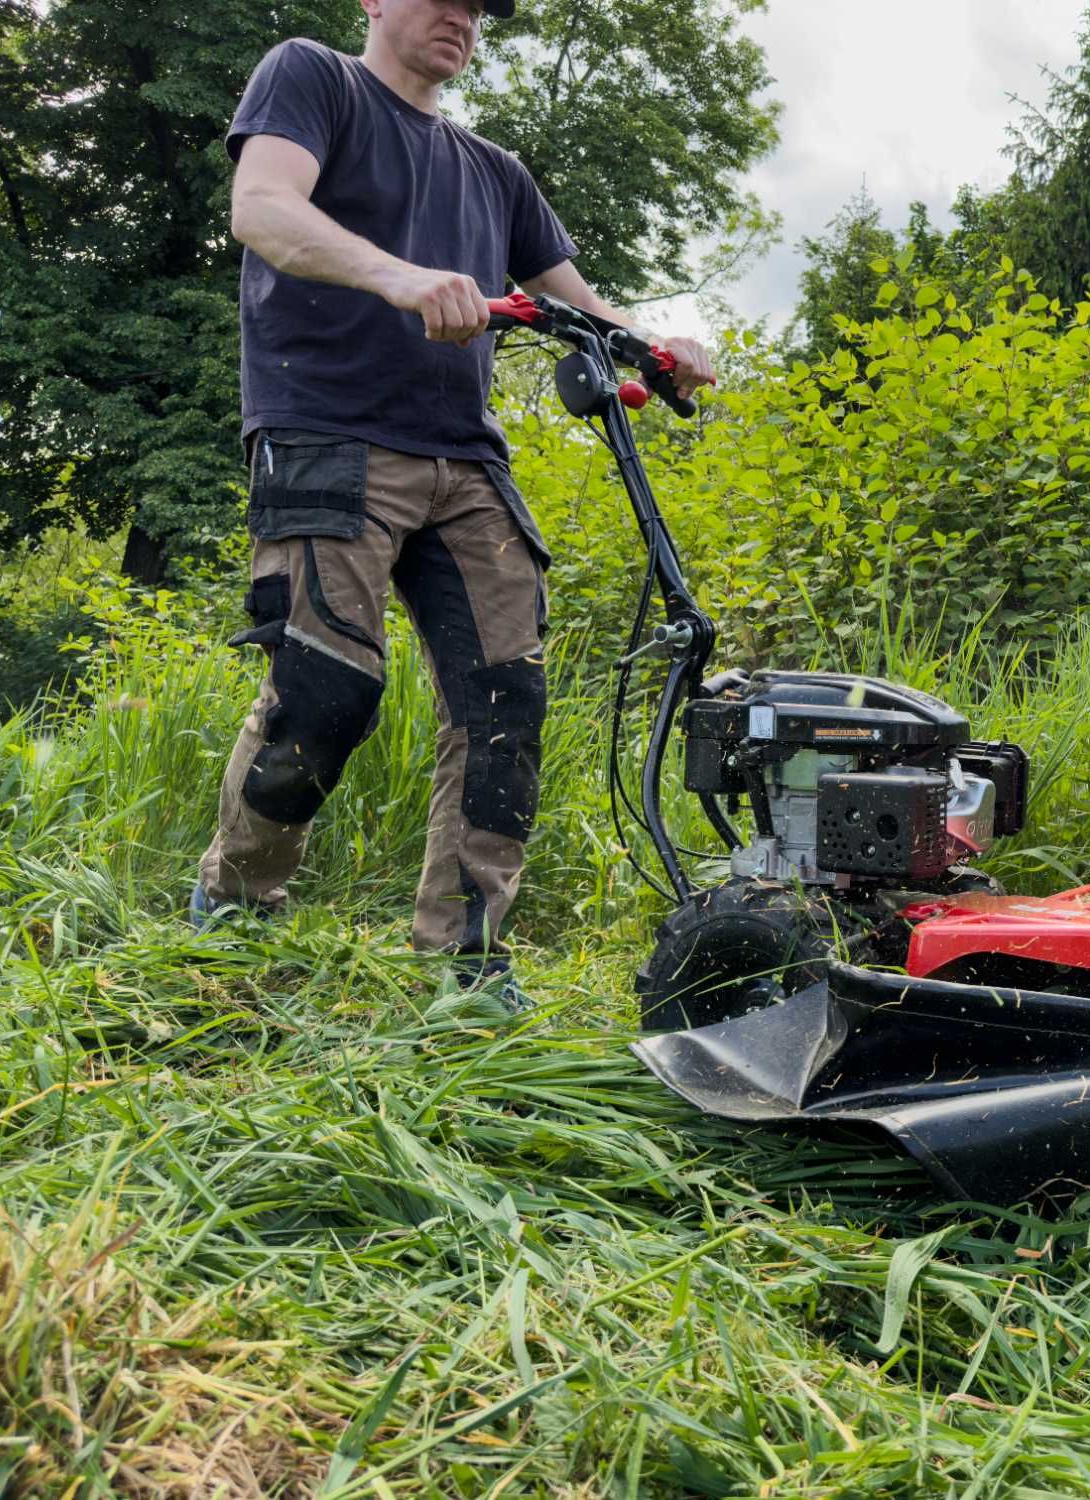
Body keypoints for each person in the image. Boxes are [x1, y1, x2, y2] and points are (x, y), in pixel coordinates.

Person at [191, 0, 714, 1012]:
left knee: (503, 706)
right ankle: (235, 905)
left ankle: (464, 962)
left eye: (480, 7)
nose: (464, 18)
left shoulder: (492, 169)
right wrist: (400, 278)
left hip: (464, 460)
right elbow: (260, 207)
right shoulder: (313, 78)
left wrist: (657, 350)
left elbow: (580, 305)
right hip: (327, 432)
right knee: (326, 687)